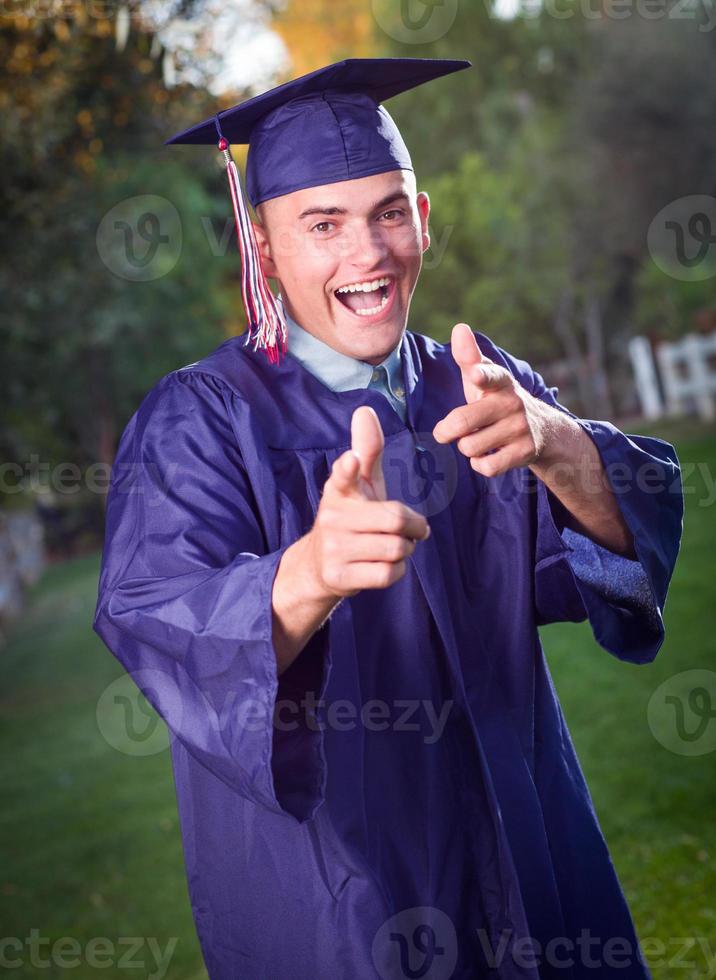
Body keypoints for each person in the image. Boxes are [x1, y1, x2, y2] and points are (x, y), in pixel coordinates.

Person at [93, 58, 683, 979]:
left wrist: (561, 443)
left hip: (526, 851)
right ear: (264, 245)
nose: (366, 254)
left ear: (425, 220)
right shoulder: (199, 419)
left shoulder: (480, 384)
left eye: (388, 212)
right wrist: (309, 573)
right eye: (322, 225)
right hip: (341, 895)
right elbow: (153, 617)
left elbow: (613, 570)